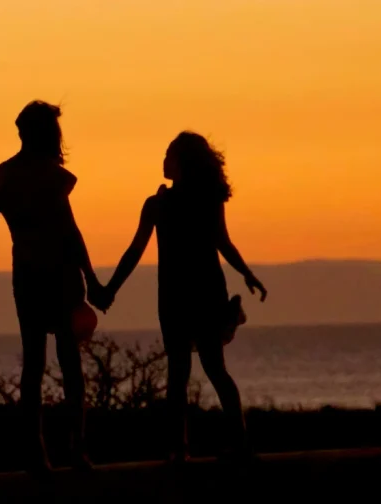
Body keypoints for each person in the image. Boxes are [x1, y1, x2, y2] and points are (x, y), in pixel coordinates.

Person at [99, 131, 268, 463]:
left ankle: (187, 448)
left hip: (187, 295)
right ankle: (215, 444)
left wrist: (110, 290)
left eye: (169, 155)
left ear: (182, 163)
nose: (163, 161)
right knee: (204, 371)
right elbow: (221, 242)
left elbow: (219, 243)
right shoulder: (171, 203)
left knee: (188, 372)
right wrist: (111, 289)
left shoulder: (164, 204)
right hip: (194, 294)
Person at [0, 101, 106, 475]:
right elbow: (70, 233)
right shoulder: (53, 176)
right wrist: (91, 279)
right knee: (69, 363)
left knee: (35, 362)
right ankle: (75, 449)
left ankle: (38, 452)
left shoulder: (0, 176)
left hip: (27, 274)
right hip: (59, 274)